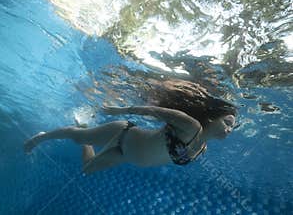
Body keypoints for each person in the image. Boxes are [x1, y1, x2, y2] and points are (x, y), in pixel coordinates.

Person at [24, 80, 237, 174]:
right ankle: (42, 137)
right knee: (79, 137)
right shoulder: (191, 126)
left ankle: (85, 127)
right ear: (212, 118)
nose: (228, 129)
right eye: (227, 122)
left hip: (126, 155)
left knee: (87, 169)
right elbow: (154, 111)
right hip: (123, 134)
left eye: (232, 128)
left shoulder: (203, 149)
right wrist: (118, 110)